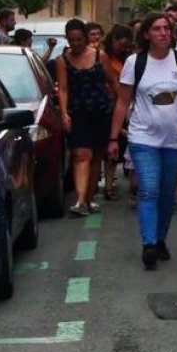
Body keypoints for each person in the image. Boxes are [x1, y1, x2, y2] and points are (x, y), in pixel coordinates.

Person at [106, 13, 177, 269]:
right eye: (157, 29)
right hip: (143, 137)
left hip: (176, 139)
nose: (163, 33)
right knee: (148, 189)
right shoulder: (135, 62)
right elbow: (122, 101)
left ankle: (160, 239)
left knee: (165, 194)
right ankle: (149, 244)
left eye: (167, 28)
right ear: (147, 34)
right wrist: (113, 137)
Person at [57, 18, 115, 217]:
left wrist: (119, 113)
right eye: (71, 41)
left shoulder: (100, 56)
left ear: (85, 38)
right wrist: (64, 113)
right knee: (81, 155)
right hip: (78, 113)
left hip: (101, 112)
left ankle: (89, 199)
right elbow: (63, 89)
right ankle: (81, 200)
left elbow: (113, 83)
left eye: (79, 40)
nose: (76, 44)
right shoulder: (63, 60)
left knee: (96, 157)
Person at [100, 24, 135, 202]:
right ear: (113, 40)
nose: (123, 48)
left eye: (126, 46)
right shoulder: (103, 56)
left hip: (124, 104)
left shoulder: (128, 58)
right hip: (108, 103)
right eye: (121, 44)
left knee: (122, 144)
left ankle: (121, 183)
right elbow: (112, 82)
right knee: (111, 144)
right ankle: (108, 184)